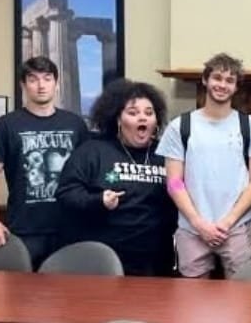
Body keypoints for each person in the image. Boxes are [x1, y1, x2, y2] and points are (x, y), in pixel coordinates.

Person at [157, 53, 251, 279]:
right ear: (205, 80)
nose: (222, 85)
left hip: (237, 227)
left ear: (236, 87)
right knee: (192, 302)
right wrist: (199, 223)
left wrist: (228, 221)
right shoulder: (180, 126)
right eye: (217, 78)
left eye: (230, 80)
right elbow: (174, 181)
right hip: (192, 228)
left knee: (241, 300)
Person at [56, 79, 177, 276]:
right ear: (118, 119)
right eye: (133, 112)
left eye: (149, 113)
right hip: (105, 259)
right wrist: (98, 200)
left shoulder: (166, 154)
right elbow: (66, 192)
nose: (142, 118)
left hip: (155, 260)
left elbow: (179, 189)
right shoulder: (93, 150)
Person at [0, 56, 90, 269]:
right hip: (24, 228)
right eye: (33, 79)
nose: (41, 85)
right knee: (23, 295)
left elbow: (87, 171)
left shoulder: (75, 124)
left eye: (47, 78)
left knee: (68, 295)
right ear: (23, 85)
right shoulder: (6, 125)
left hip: (69, 226)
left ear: (57, 84)